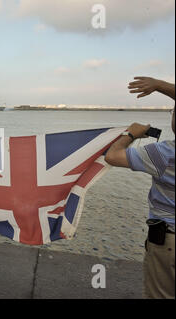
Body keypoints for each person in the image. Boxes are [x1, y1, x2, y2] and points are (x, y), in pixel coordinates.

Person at [105, 76, 175, 299]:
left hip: (169, 242)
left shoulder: (165, 154)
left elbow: (113, 156)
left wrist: (131, 134)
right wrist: (160, 86)